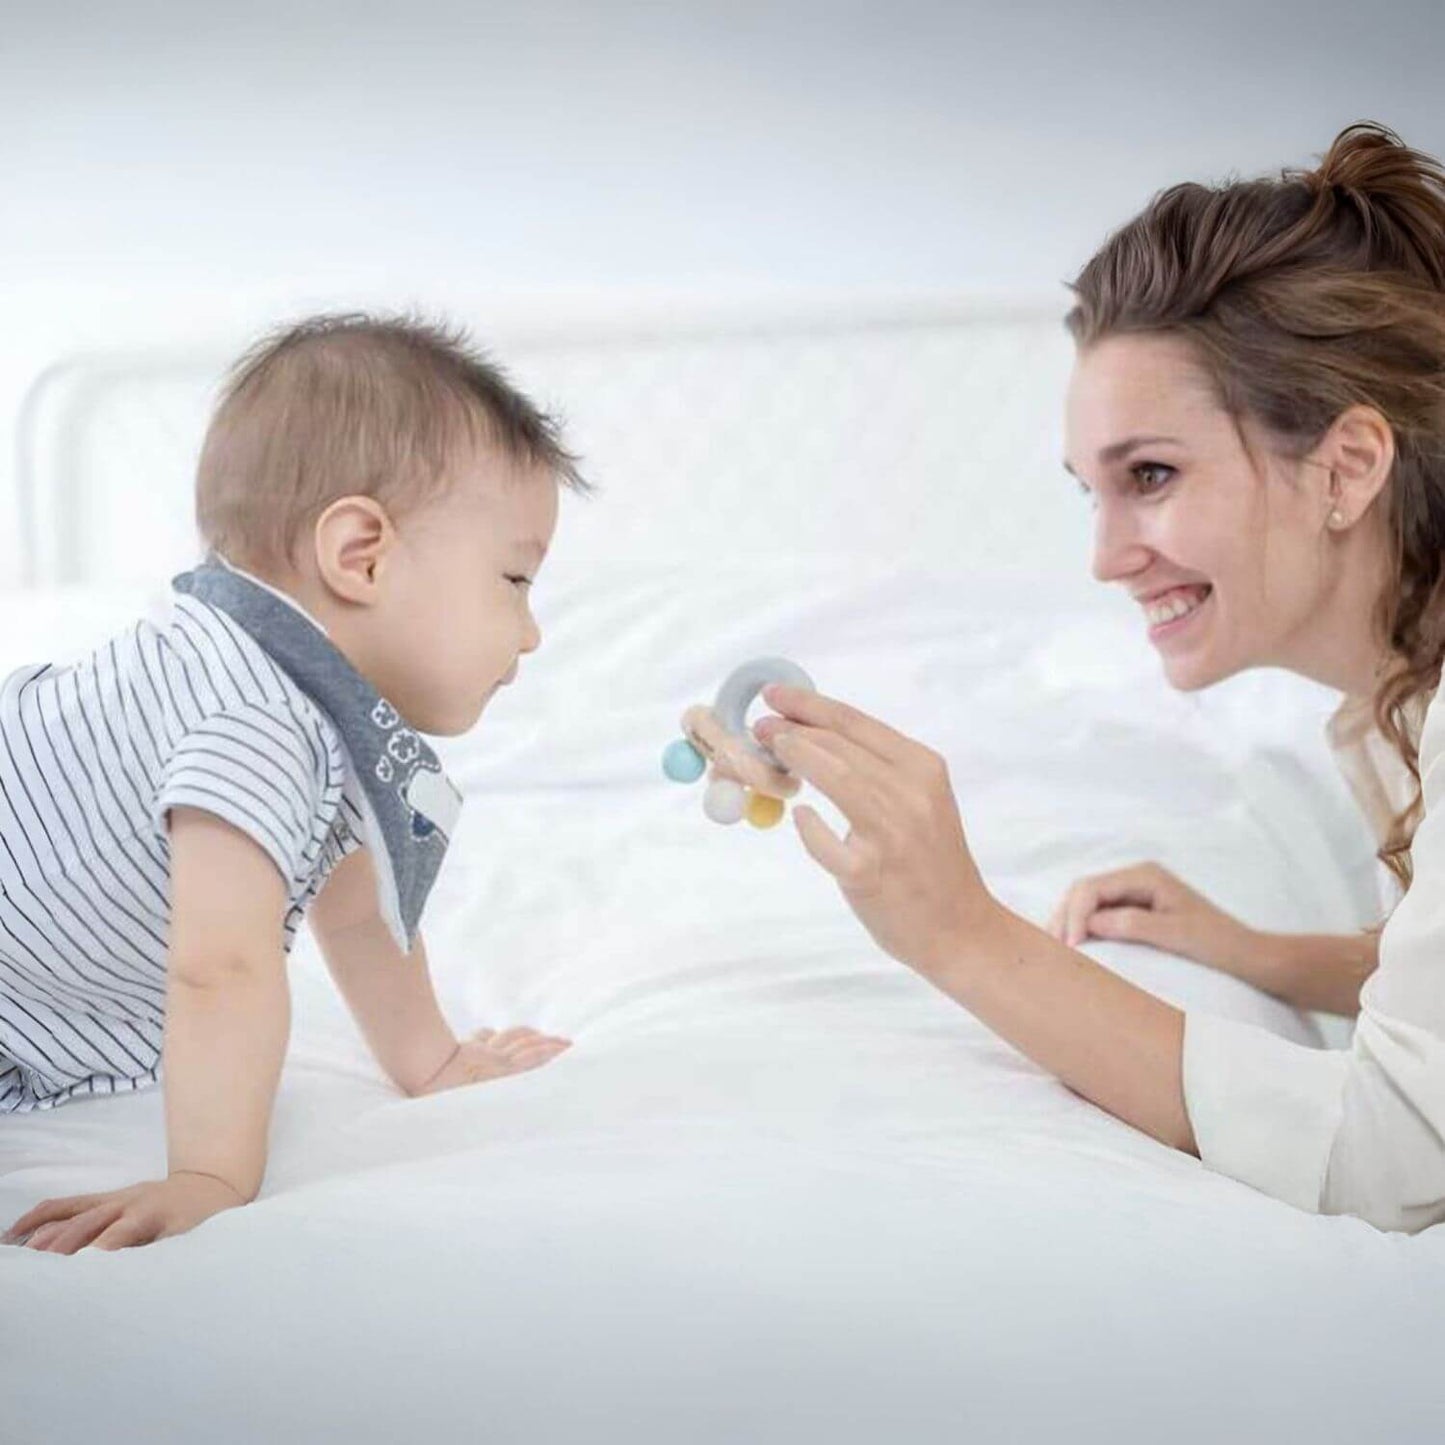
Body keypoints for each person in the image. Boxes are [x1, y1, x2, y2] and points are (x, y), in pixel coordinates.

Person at [691, 122, 1445, 1234]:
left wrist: (955, 930)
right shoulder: (1392, 701)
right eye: (1087, 491)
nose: (1102, 555)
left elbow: (1387, 1153)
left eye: (1150, 474)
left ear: (1344, 465)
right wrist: (1262, 956)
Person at [2, 314, 583, 1252]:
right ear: (362, 555)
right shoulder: (253, 716)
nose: (529, 630)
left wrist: (432, 1064)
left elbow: (356, 913)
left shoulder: (311, 704)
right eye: (513, 579)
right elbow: (220, 963)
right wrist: (209, 1176)